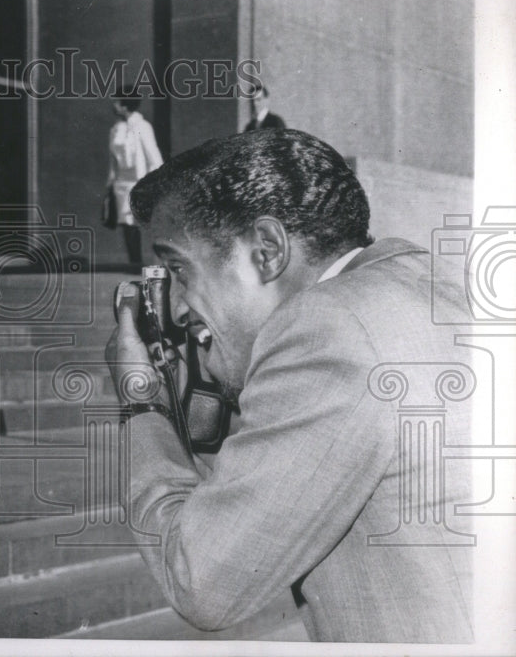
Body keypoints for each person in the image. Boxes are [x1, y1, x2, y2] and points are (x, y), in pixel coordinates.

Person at [107, 128, 473, 642]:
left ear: (267, 250)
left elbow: (202, 580)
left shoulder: (328, 330)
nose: (179, 308)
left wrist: (142, 402)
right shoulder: (423, 285)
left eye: (179, 270)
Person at [107, 86, 163, 266]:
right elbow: (113, 159)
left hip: (139, 182)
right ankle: (135, 263)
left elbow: (153, 155)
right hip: (121, 184)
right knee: (126, 223)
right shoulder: (116, 129)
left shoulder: (142, 127)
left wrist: (158, 182)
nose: (114, 105)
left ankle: (159, 263)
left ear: (125, 105)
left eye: (117, 101)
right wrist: (110, 183)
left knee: (144, 222)